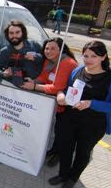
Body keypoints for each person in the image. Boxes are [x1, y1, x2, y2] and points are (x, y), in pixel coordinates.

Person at [48, 40, 111, 188]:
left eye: (93, 56)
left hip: (93, 125)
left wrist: (91, 103)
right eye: (85, 56)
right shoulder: (78, 70)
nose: (88, 60)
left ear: (104, 57)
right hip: (68, 119)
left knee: (83, 153)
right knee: (64, 148)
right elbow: (66, 88)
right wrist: (61, 95)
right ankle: (63, 174)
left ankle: (73, 178)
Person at [21, 37, 78, 166]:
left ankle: (58, 154)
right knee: (54, 130)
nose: (48, 51)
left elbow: (57, 88)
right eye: (47, 48)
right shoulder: (49, 61)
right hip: (53, 102)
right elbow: (43, 77)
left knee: (61, 132)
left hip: (66, 104)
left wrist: (34, 87)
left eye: (53, 48)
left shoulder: (67, 63)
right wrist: (33, 81)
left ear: (61, 49)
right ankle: (53, 150)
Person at [0, 20, 43, 87]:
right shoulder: (4, 51)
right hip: (11, 90)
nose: (14, 36)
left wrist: (36, 57)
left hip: (33, 89)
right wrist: (3, 74)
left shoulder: (34, 45)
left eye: (17, 32)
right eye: (11, 33)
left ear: (23, 32)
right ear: (7, 35)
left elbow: (47, 60)